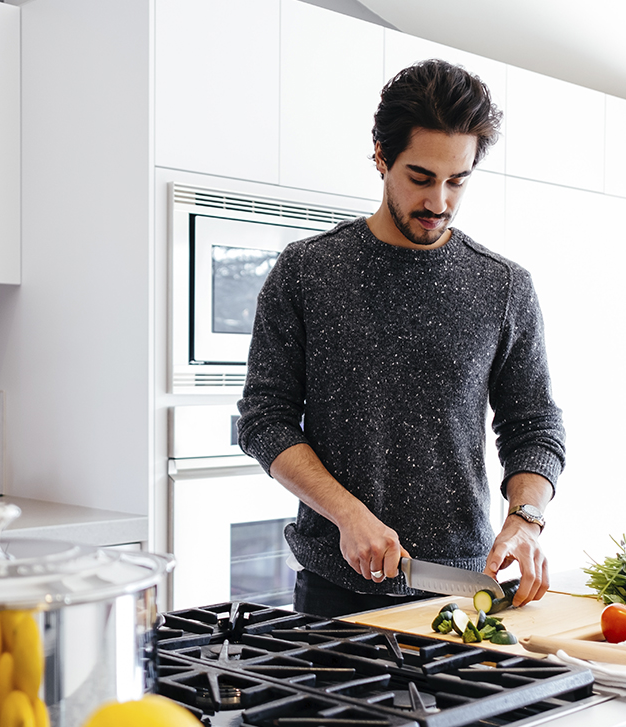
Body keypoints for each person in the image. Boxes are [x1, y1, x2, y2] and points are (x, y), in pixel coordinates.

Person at [235, 59, 565, 619]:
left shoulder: (504, 286)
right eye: (420, 177)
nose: (439, 202)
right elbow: (264, 420)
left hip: (464, 589)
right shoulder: (307, 271)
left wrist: (526, 518)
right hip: (335, 593)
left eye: (457, 180)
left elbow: (534, 424)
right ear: (382, 158)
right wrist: (347, 514)